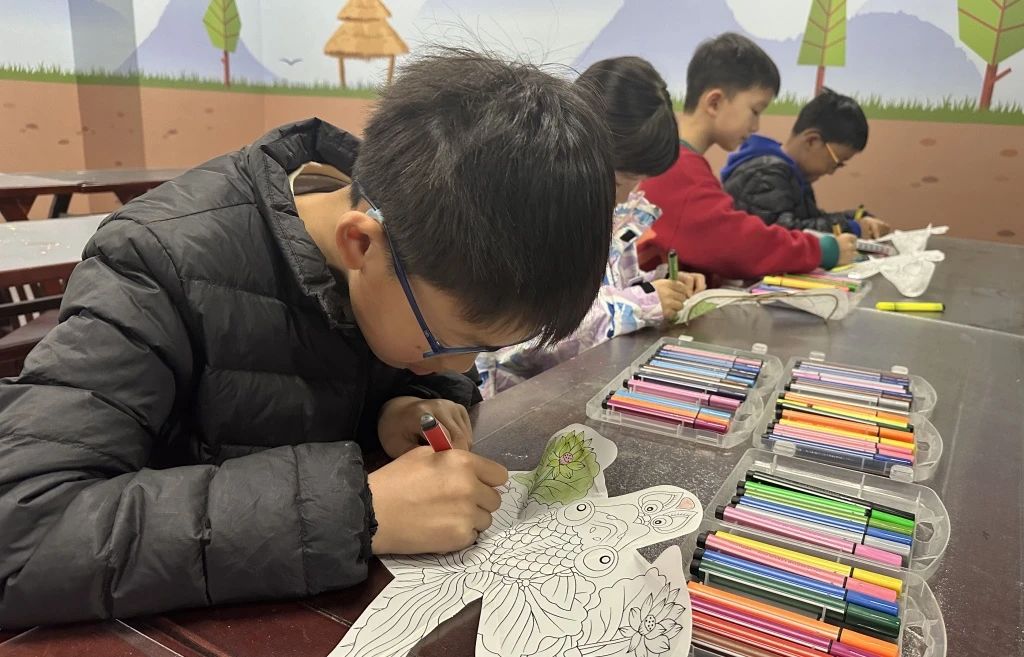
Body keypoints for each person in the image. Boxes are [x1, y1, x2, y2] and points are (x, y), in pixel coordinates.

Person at [0, 51, 616, 628]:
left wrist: (400, 405)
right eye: (452, 343)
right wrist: (358, 510)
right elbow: (24, 532)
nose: (461, 368)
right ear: (360, 244)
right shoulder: (153, 265)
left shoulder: (415, 232)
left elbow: (368, 364)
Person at [476, 56, 705, 398]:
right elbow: (528, 335)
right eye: (622, 181)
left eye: (639, 181)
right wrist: (642, 305)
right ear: (579, 152)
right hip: (513, 401)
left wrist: (656, 286)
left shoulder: (612, 210)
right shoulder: (537, 216)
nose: (628, 195)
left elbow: (611, 288)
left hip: (575, 388)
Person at [638, 33, 857, 284]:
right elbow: (738, 244)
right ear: (715, 102)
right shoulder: (677, 168)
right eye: (755, 111)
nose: (756, 126)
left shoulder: (678, 161)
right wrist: (821, 251)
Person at [721, 87, 891, 239]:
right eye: (836, 162)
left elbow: (810, 220)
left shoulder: (793, 173)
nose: (831, 171)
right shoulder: (765, 174)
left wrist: (855, 217)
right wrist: (852, 228)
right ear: (812, 141)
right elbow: (786, 234)